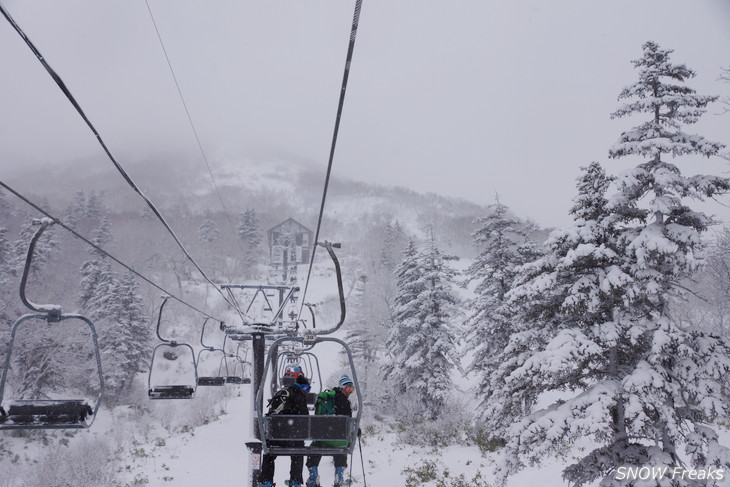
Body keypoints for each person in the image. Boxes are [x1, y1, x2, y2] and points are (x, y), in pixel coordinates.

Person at [258, 374, 311, 487]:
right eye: (306, 389)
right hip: (294, 440)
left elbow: (271, 415)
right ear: (300, 387)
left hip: (276, 438)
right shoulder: (300, 398)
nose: (307, 392)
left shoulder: (283, 394)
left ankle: (266, 481)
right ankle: (295, 480)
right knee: (298, 453)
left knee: (269, 455)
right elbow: (305, 419)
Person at [306, 375, 356, 487]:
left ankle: (313, 477)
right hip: (340, 440)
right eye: (348, 388)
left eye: (352, 389)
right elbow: (348, 423)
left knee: (314, 448)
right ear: (342, 387)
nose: (350, 391)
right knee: (342, 448)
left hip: (322, 439)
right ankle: (339, 477)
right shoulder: (346, 403)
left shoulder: (326, 398)